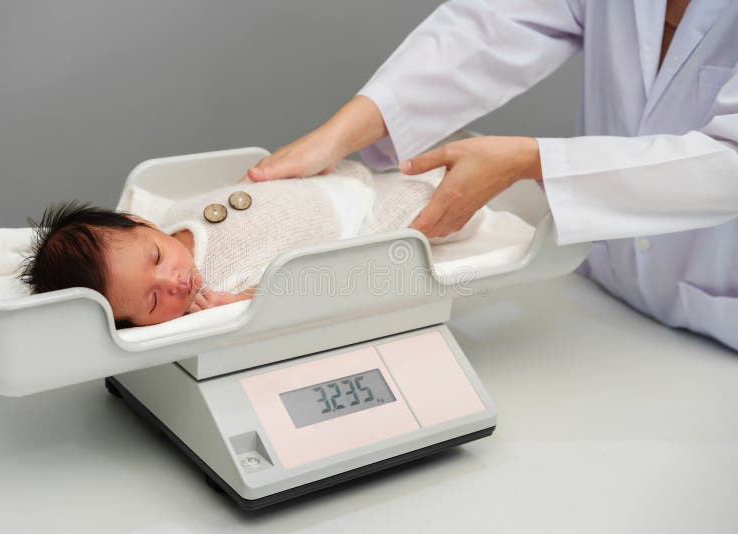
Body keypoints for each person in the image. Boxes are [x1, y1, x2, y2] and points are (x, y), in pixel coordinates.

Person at [244, 0, 738, 350]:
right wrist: (340, 133)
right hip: (598, 306)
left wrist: (532, 162)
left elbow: (728, 162)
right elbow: (490, 28)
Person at [20, 160, 492, 327]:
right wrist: (239, 301)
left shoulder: (164, 219)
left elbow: (150, 200)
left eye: (157, 258)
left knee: (406, 159)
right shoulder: (216, 293)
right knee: (440, 204)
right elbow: (287, 287)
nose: (174, 282)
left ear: (140, 223)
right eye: (151, 300)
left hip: (327, 179)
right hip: (364, 218)